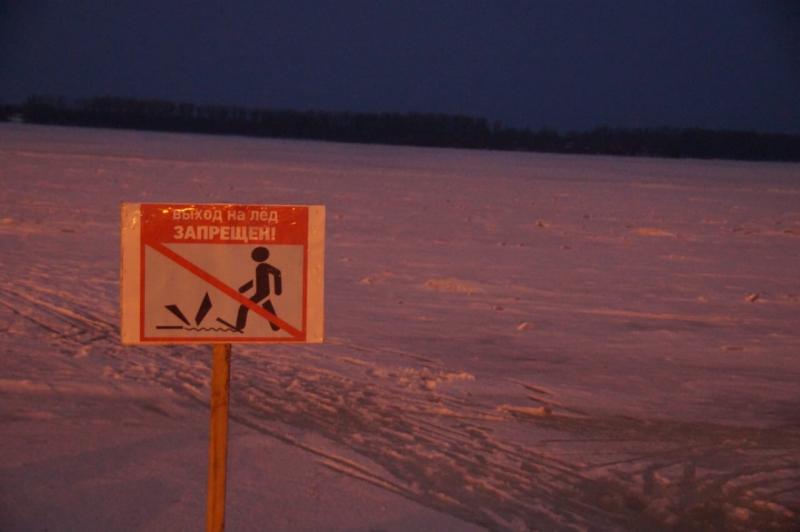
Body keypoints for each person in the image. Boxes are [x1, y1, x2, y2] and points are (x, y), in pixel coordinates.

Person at [234, 246, 282, 331]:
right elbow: (255, 281)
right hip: (262, 293)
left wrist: (278, 290)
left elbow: (277, 273)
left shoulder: (263, 266)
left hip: (262, 293)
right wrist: (243, 289)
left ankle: (239, 327)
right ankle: (276, 326)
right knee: (268, 308)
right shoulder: (260, 267)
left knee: (244, 307)